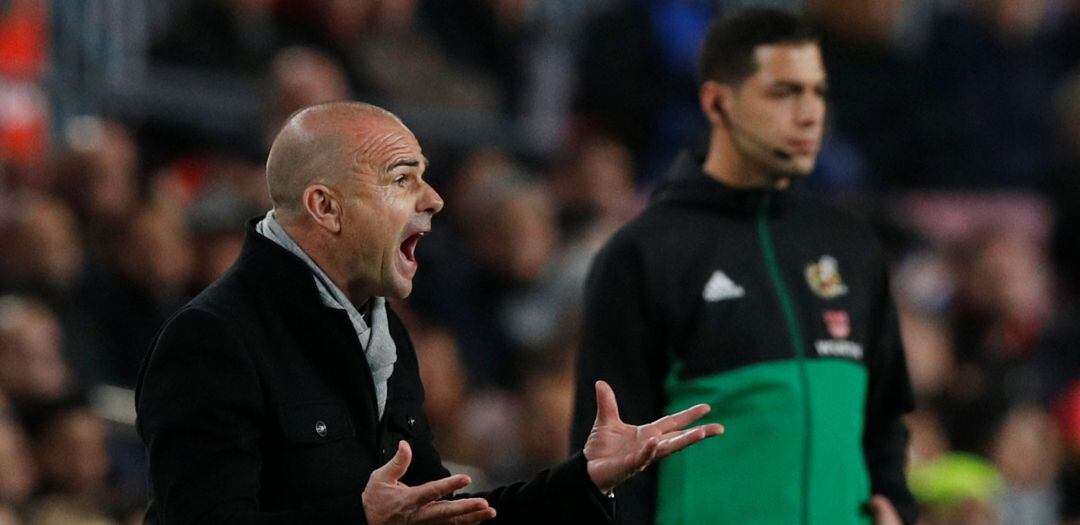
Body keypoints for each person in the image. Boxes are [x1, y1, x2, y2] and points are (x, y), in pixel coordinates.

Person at [135, 101, 723, 524]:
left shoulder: (383, 333)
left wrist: (583, 478)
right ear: (326, 207)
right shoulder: (212, 340)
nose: (434, 198)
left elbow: (447, 514)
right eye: (402, 178)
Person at [571, 8, 916, 525]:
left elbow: (885, 419)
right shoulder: (644, 255)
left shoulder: (852, 246)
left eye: (817, 91)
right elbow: (604, 468)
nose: (810, 114)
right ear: (717, 102)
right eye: (784, 92)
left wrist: (898, 507)